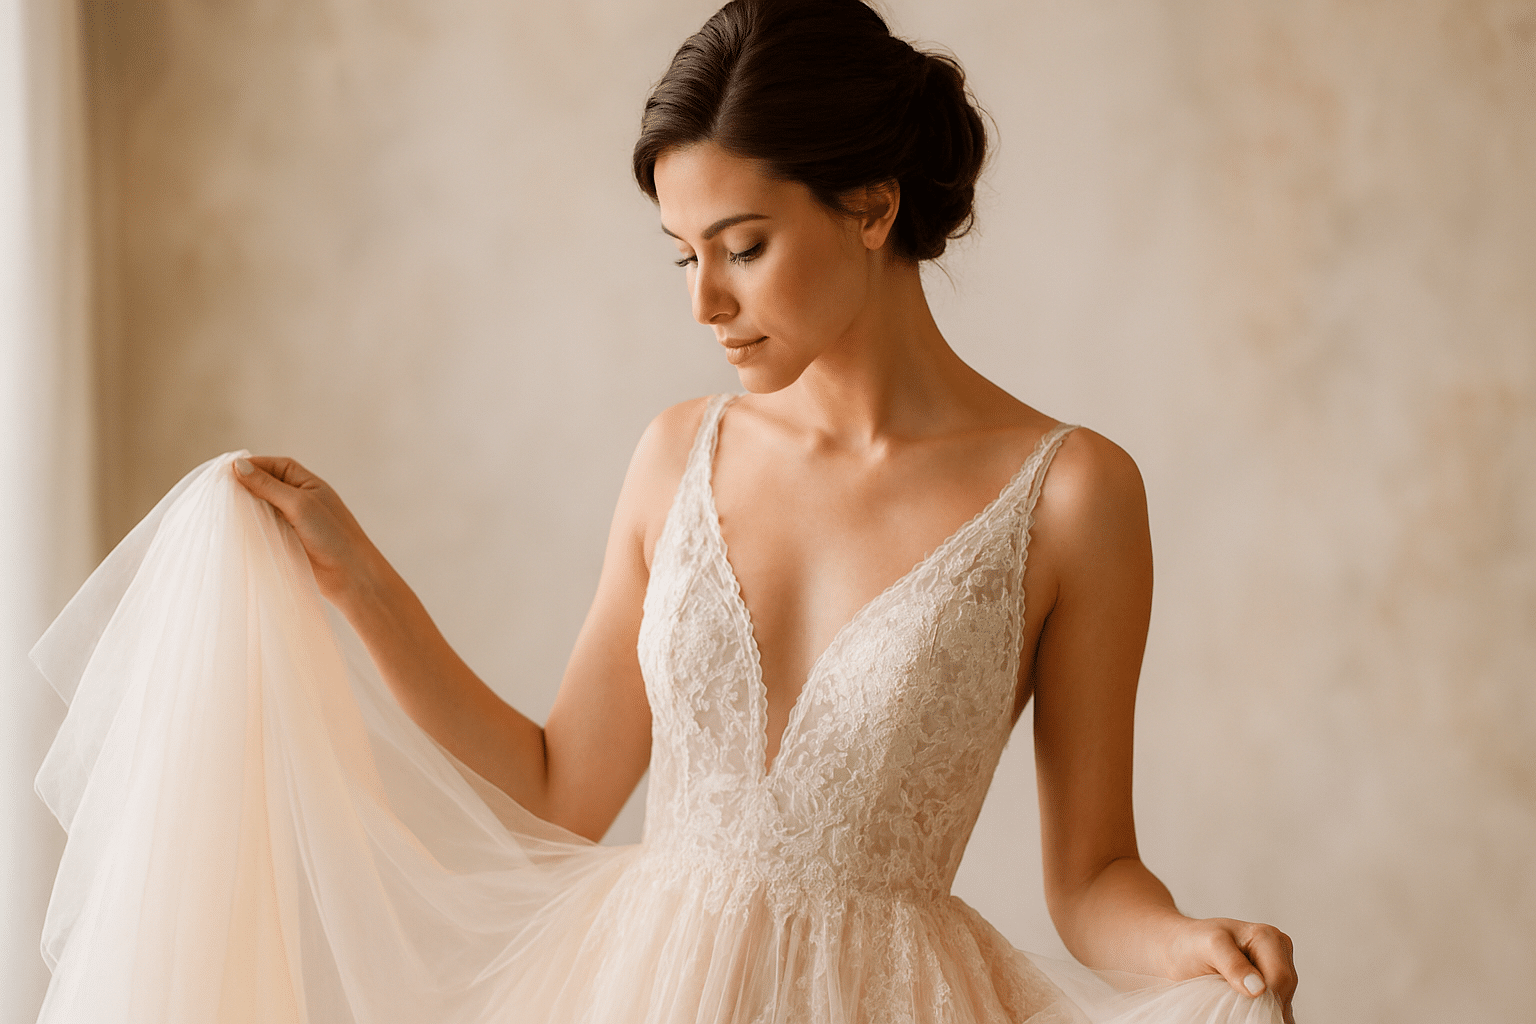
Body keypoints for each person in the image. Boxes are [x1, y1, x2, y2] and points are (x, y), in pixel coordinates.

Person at [33, 2, 1295, 1022]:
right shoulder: (675, 455)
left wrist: (1187, 939)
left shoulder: (1073, 493)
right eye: (682, 253)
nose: (704, 304)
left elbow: (1089, 881)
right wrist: (357, 578)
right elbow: (559, 787)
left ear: (870, 204)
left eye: (741, 246)